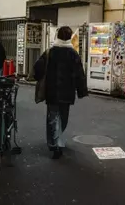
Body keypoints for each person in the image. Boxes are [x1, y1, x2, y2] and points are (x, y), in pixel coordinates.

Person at [33, 26, 88, 159]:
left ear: (57, 36)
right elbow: (79, 74)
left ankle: (53, 144)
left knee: (52, 117)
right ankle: (59, 141)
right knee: (63, 118)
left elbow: (37, 69)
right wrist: (81, 91)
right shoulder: (73, 54)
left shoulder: (49, 52)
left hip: (52, 91)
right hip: (67, 93)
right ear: (69, 38)